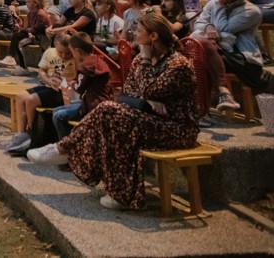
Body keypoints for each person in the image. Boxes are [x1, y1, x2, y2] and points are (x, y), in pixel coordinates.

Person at [28, 12, 199, 211]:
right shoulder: (139, 61)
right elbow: (130, 92)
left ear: (153, 36)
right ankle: (120, 194)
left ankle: (65, 149)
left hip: (177, 129)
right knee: (112, 117)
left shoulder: (178, 65)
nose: (134, 34)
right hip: (147, 119)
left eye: (139, 31)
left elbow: (146, 90)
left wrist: (145, 86)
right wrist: (147, 101)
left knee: (108, 110)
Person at [191, 0, 270, 93]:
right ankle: (209, 98)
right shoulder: (213, 4)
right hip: (219, 51)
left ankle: (220, 94)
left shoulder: (251, 11)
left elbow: (224, 28)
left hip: (240, 57)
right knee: (196, 57)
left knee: (201, 59)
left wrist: (220, 6)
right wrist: (208, 27)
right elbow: (198, 23)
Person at [7, 34, 74, 153]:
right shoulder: (49, 52)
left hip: (63, 92)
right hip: (49, 85)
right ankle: (22, 134)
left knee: (31, 100)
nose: (64, 56)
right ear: (55, 46)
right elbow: (42, 71)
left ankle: (32, 133)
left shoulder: (75, 58)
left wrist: (64, 82)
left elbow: (77, 78)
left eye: (67, 53)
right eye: (61, 52)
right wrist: (48, 80)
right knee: (20, 96)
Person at [51, 33, 113, 140]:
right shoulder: (97, 60)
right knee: (56, 110)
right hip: (102, 101)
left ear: (78, 51)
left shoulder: (86, 66)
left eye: (72, 51)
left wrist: (72, 83)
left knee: (58, 116)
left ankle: (67, 145)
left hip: (92, 106)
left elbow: (79, 88)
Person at [0, 0, 51, 74]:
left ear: (35, 3)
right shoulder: (29, 13)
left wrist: (25, 31)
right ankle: (20, 65)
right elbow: (29, 27)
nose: (26, 4)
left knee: (19, 39)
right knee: (18, 39)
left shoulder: (41, 14)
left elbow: (37, 28)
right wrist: (21, 28)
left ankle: (13, 59)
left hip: (42, 37)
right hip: (33, 34)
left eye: (28, 2)